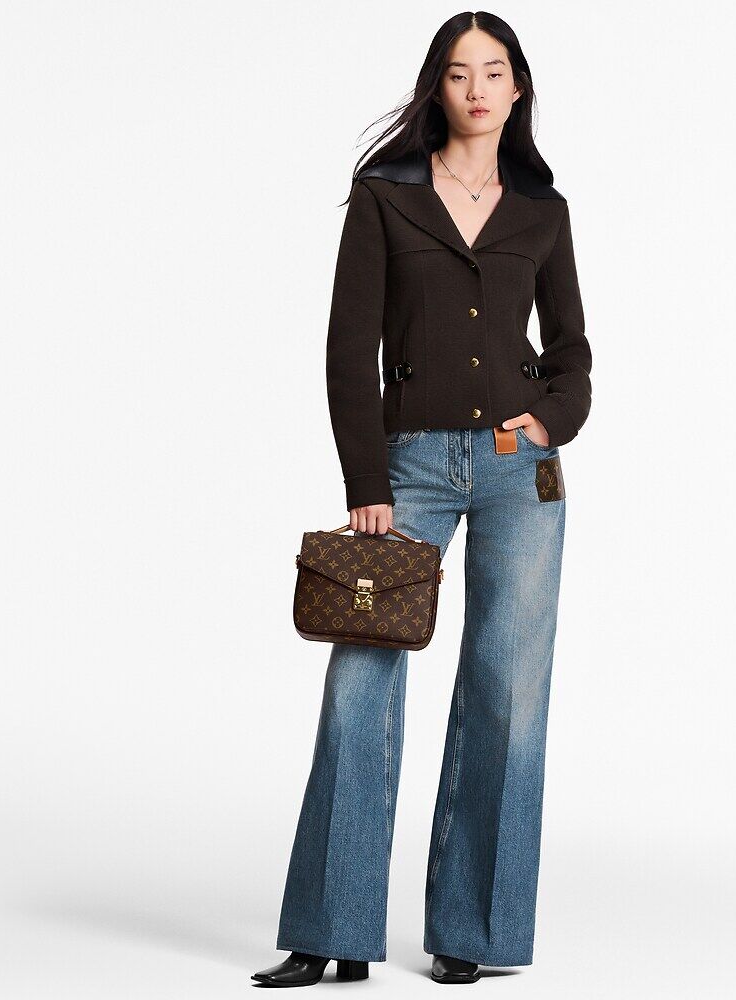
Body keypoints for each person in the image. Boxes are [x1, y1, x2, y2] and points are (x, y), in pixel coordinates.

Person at [252, 11, 592, 988]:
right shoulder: (386, 196)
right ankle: (330, 929)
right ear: (436, 87)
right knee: (361, 683)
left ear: (518, 88)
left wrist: (548, 421)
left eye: (494, 71)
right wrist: (366, 482)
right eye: (458, 72)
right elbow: (346, 347)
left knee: (507, 690)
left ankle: (473, 932)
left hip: (521, 470)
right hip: (409, 467)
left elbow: (570, 348)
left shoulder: (543, 210)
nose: (477, 89)